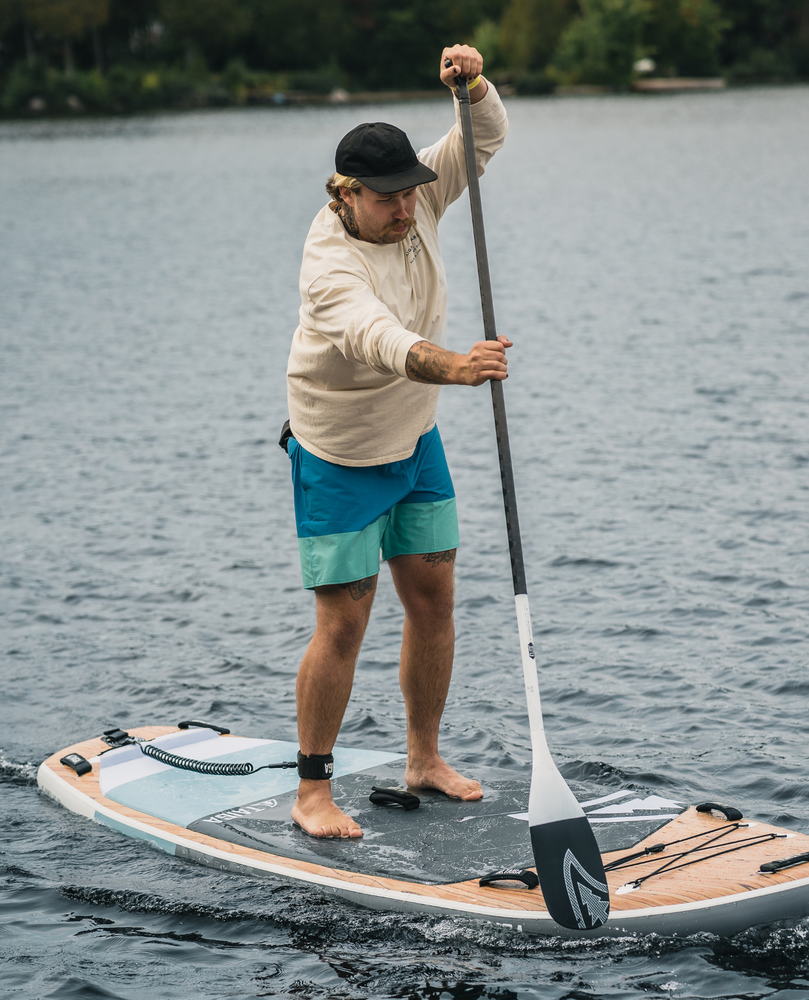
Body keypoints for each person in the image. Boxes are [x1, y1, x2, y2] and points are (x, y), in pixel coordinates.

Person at [284, 44, 510, 839]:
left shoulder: (416, 196)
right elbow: (381, 340)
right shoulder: (328, 268)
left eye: (412, 194)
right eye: (387, 201)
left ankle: (423, 758)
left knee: (434, 599)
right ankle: (313, 792)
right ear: (344, 195)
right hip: (340, 457)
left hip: (414, 444)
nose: (407, 211)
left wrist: (473, 84)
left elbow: (481, 136)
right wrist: (456, 367)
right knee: (345, 622)